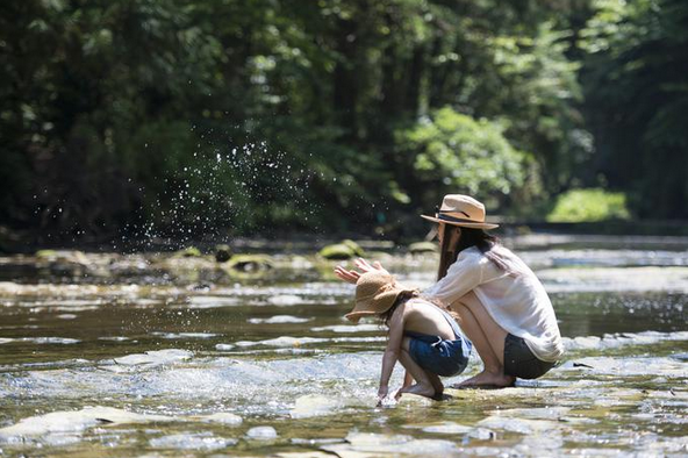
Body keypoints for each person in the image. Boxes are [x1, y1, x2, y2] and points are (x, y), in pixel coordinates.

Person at [335, 194, 564, 388]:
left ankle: (494, 372)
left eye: (441, 227)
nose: (437, 234)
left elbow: (428, 301)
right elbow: (429, 296)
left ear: (456, 232)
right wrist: (384, 284)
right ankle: (495, 370)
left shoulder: (474, 262)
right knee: (454, 296)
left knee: (460, 297)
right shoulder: (492, 253)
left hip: (528, 355)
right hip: (539, 353)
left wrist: (383, 285)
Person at [345, 270, 472, 403]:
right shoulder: (416, 301)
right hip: (458, 355)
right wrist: (407, 386)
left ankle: (424, 385)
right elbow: (413, 354)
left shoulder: (401, 311)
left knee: (398, 343)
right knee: (410, 344)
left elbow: (392, 351)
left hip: (448, 356)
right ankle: (433, 386)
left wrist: (383, 388)